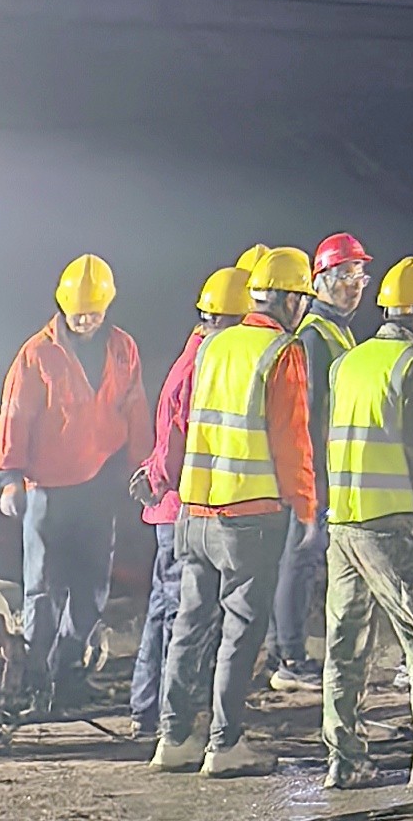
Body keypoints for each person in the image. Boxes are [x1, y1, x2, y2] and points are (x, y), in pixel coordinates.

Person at [151, 245, 316, 779]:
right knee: (241, 630)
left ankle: (173, 739)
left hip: (195, 511)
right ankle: (224, 744)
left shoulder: (212, 345)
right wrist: (307, 505)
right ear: (291, 300)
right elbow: (291, 441)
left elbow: (180, 418)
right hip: (250, 514)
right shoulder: (281, 352)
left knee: (189, 624)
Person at [323, 257, 413, 794]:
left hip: (344, 524)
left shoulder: (350, 362)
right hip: (390, 525)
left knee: (346, 647)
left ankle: (345, 760)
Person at [0, 253, 152, 717]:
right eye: (78, 312)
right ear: (63, 306)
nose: (85, 320)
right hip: (45, 486)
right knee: (41, 588)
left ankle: (68, 672)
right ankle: (35, 678)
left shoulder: (122, 348)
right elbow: (15, 414)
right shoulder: (37, 353)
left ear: (107, 307)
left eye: (94, 312)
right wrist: (10, 477)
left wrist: (143, 468)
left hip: (99, 483)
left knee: (90, 586)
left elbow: (135, 407)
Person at [127, 268, 249, 738]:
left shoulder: (195, 354)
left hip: (172, 504)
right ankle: (162, 716)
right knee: (178, 614)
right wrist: (159, 478)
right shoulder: (204, 363)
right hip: (181, 505)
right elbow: (177, 434)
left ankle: (148, 709)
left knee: (164, 609)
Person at [267, 230, 369, 692]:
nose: (355, 283)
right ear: (320, 280)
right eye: (345, 274)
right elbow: (306, 411)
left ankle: (283, 649)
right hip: (317, 467)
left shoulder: (336, 331)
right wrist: (312, 477)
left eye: (360, 274)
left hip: (329, 465)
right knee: (300, 557)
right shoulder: (314, 334)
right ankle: (289, 657)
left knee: (303, 557)